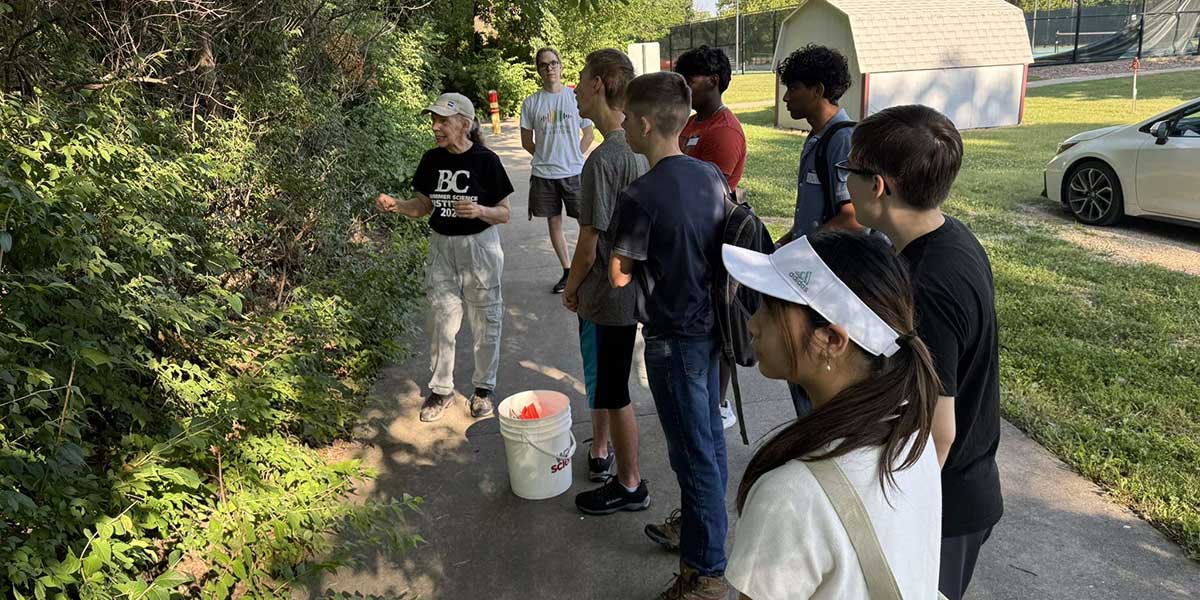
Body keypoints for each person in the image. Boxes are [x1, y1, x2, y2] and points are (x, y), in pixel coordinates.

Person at [722, 231, 942, 600]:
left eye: (771, 309)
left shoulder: (789, 496)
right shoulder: (911, 434)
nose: (752, 324)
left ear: (831, 340)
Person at [843, 104, 1003, 600]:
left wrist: (896, 517)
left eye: (849, 170)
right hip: (963, 489)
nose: (844, 182)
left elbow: (939, 433)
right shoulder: (947, 237)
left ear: (878, 186)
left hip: (944, 505)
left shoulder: (928, 283)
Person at [610, 71, 729, 600]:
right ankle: (703, 531)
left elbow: (619, 274)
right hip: (710, 330)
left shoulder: (638, 194)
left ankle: (704, 572)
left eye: (626, 119)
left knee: (691, 450)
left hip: (671, 338)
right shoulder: (709, 177)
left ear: (640, 123)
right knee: (707, 443)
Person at [376, 93, 512, 422]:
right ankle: (441, 390)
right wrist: (397, 205)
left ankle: (483, 389)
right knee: (441, 320)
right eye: (433, 121)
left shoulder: (486, 161)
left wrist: (480, 210)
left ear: (465, 125)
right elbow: (423, 207)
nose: (436, 127)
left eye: (443, 121)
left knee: (485, 321)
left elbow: (504, 214)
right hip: (441, 246)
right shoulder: (431, 160)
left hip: (479, 247)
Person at [561, 48, 651, 511]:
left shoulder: (603, 160)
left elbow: (588, 244)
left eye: (580, 78)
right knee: (612, 383)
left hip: (607, 296)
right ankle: (612, 461)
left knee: (613, 389)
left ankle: (631, 483)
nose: (574, 88)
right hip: (631, 292)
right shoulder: (641, 150)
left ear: (598, 84)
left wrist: (572, 288)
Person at [773, 43, 866, 419]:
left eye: (793, 87)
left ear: (817, 90)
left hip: (830, 278)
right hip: (810, 270)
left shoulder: (841, 137)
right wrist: (783, 243)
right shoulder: (816, 137)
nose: (786, 97)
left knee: (815, 365)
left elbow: (853, 217)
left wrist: (799, 249)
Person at [675, 44, 747, 431]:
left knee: (720, 326)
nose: (685, 87)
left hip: (713, 241)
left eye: (691, 80)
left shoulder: (724, 132)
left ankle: (718, 405)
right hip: (690, 239)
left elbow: (707, 193)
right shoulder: (692, 122)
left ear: (714, 82)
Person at [520, 47, 595, 294]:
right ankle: (567, 270)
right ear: (538, 70)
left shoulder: (574, 97)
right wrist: (546, 158)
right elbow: (526, 142)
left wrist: (574, 155)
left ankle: (590, 267)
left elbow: (588, 133)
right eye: (544, 64)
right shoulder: (531, 103)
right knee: (554, 223)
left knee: (587, 221)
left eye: (553, 63)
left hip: (574, 172)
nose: (549, 68)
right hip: (544, 175)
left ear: (561, 66)